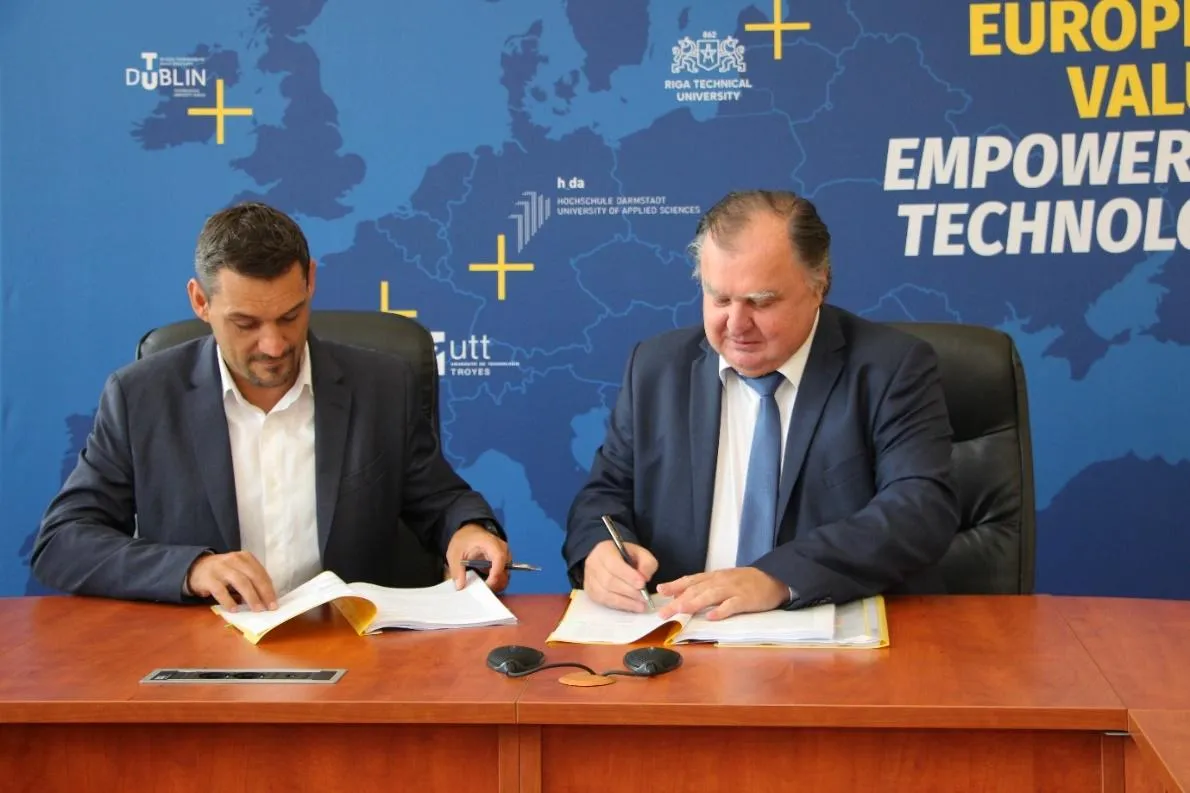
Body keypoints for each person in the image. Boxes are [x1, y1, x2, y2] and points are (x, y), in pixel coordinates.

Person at [32, 202, 510, 611]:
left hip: (354, 651)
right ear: (200, 301)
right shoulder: (141, 397)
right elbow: (63, 541)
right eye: (245, 323)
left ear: (310, 282)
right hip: (203, 654)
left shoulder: (382, 386)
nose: (274, 345)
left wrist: (468, 529)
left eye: (290, 316)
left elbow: (442, 501)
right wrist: (191, 569)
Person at [564, 189, 958, 620]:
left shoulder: (890, 368)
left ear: (819, 285)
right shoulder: (656, 368)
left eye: (761, 301)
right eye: (719, 299)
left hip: (829, 634)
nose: (736, 325)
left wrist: (776, 577)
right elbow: (605, 493)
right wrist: (599, 550)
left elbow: (919, 507)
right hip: (682, 631)